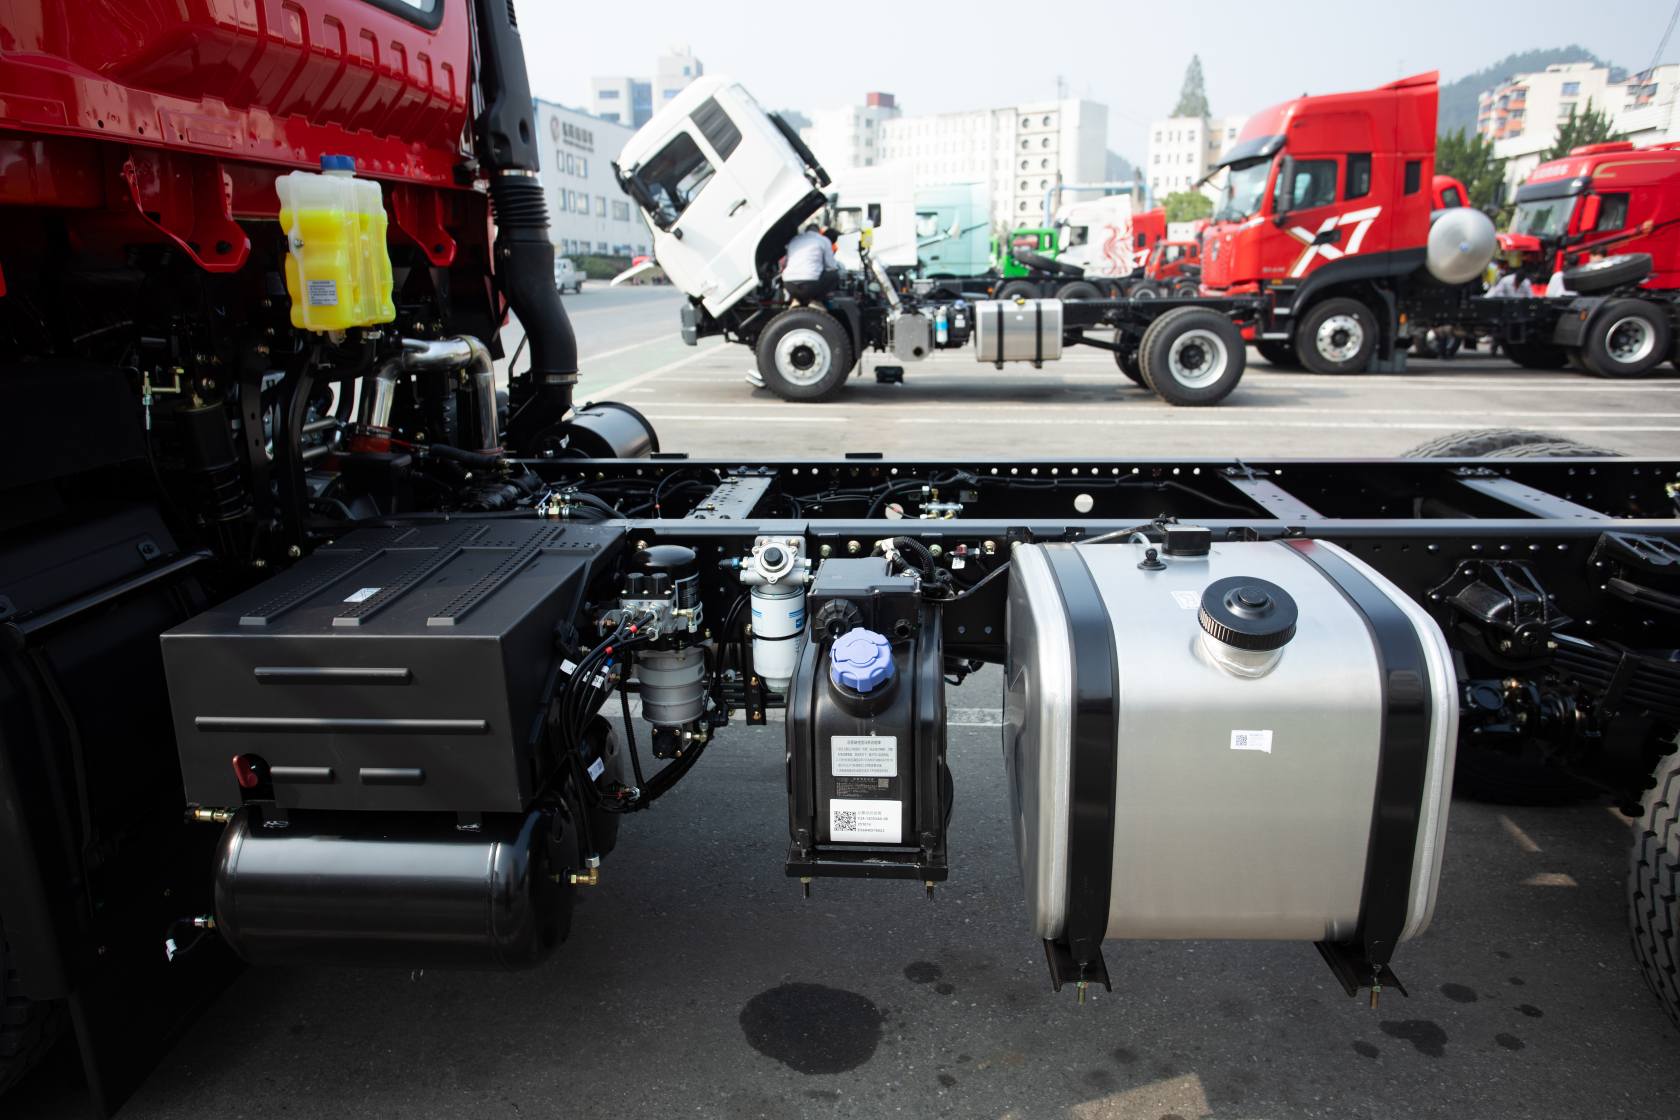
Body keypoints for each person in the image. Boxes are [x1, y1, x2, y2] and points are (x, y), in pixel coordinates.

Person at [782, 225, 840, 304]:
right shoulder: (823, 240)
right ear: (818, 231)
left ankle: (796, 301)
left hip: (789, 284)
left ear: (806, 231)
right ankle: (816, 301)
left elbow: (785, 263)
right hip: (810, 285)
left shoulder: (794, 239)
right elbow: (832, 266)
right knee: (834, 274)